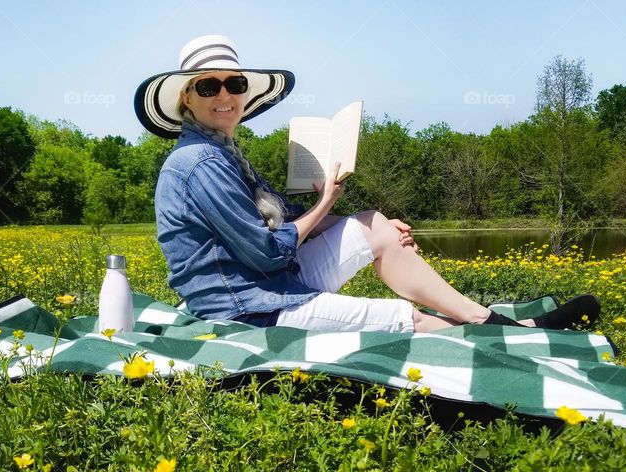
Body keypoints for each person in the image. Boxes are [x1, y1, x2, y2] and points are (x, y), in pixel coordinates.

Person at [134, 35, 600, 332]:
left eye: (233, 84)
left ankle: (477, 314)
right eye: (208, 87)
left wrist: (339, 213)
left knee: (377, 224)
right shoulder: (198, 162)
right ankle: (503, 331)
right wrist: (326, 205)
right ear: (186, 99)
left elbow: (284, 230)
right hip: (245, 304)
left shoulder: (223, 154)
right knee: (404, 318)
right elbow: (266, 250)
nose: (225, 96)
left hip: (267, 282)